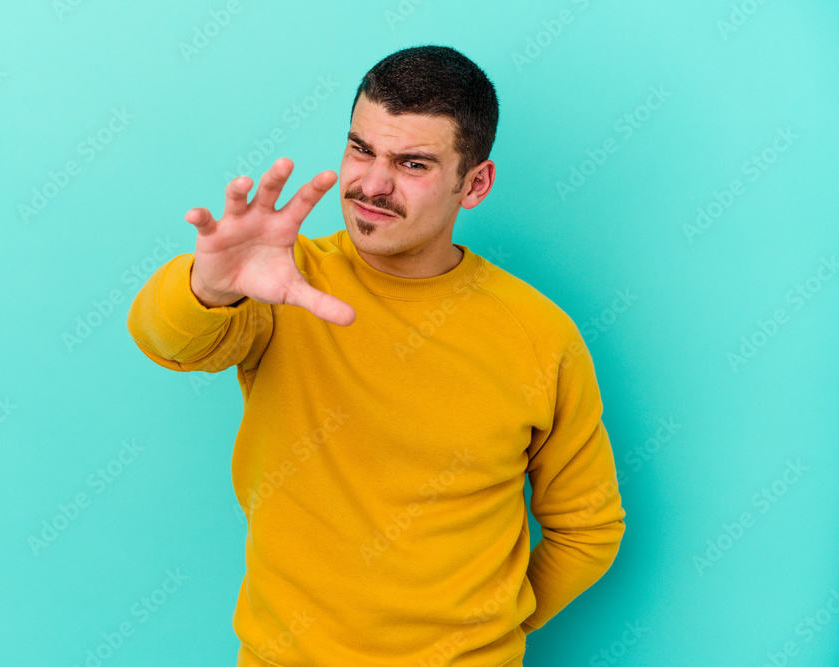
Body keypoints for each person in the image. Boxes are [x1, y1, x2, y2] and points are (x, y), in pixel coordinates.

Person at [126, 44, 626, 667]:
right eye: (361, 149)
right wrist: (210, 284)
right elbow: (166, 341)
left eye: (412, 163)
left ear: (474, 184)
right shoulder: (282, 282)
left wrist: (486, 633)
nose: (372, 184)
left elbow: (589, 527)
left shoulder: (539, 334)